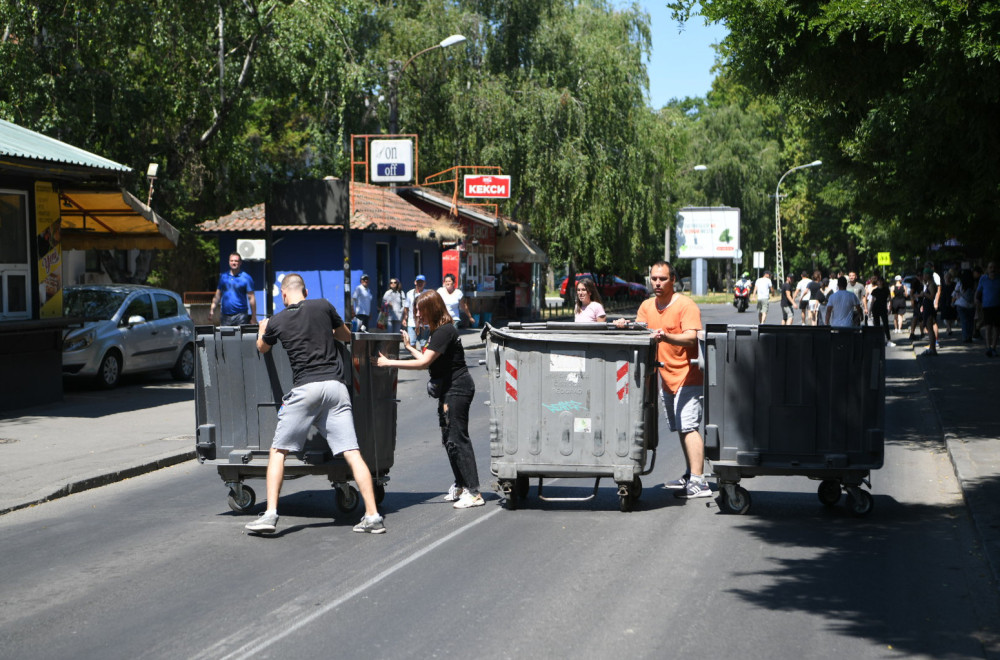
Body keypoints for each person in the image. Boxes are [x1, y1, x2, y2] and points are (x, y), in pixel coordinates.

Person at [245, 274, 385, 535]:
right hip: (336, 387)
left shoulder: (277, 320)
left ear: (283, 295)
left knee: (279, 451)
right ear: (306, 291)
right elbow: (346, 336)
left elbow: (262, 348)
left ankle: (270, 515)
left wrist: (262, 330)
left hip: (306, 389)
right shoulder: (323, 306)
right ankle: (373, 515)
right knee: (352, 452)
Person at [376, 290, 484, 508]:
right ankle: (461, 485)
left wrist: (389, 363)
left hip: (457, 388)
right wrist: (409, 347)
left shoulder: (444, 331)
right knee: (449, 439)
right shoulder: (437, 332)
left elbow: (424, 363)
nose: (417, 314)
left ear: (432, 309)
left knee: (458, 439)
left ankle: (474, 492)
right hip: (449, 388)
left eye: (420, 310)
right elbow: (429, 359)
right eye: (416, 310)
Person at [614, 261, 708, 498]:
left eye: (662, 279)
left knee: (689, 427)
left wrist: (666, 336)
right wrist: (624, 326)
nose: (657, 283)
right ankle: (691, 474)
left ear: (673, 280)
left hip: (689, 375)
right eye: (654, 278)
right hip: (666, 377)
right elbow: (640, 331)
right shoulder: (647, 306)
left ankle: (700, 482)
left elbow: (691, 338)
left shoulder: (685, 305)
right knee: (681, 428)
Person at [209, 252, 256, 326]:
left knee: (240, 334)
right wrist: (212, 310)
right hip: (225, 316)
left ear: (240, 263)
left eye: (236, 261)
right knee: (225, 334)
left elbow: (251, 298)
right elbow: (218, 295)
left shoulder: (246, 278)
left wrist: (253, 317)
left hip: (241, 315)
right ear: (229, 262)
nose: (233, 263)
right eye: (231, 261)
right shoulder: (223, 277)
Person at [976, 261, 1000, 357]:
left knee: (996, 328)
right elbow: (978, 291)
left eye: (994, 267)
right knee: (988, 327)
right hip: (986, 306)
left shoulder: (999, 279)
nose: (992, 269)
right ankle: (988, 347)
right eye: (990, 267)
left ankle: (993, 347)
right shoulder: (983, 279)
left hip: (997, 306)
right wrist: (976, 301)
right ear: (987, 269)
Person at [403, 274, 429, 351]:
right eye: (418, 282)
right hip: (412, 322)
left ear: (425, 283)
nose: (420, 284)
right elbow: (406, 307)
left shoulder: (427, 293)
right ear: (415, 282)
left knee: (424, 343)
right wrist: (405, 318)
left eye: (422, 282)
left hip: (424, 323)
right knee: (411, 342)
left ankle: (423, 355)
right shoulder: (409, 293)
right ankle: (416, 356)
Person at [869, 275, 894, 346]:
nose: (879, 282)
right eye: (878, 281)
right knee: (877, 325)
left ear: (882, 282)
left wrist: (890, 308)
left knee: (886, 324)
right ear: (877, 282)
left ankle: (888, 340)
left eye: (880, 281)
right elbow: (872, 301)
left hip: (883, 308)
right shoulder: (874, 291)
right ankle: (877, 340)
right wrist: (870, 310)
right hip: (876, 308)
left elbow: (890, 300)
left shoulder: (886, 290)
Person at [920, 267, 939, 356]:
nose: (923, 276)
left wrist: (924, 294)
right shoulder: (929, 284)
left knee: (930, 328)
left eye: (924, 274)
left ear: (928, 275)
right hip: (927, 307)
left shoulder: (932, 285)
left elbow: (931, 296)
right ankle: (932, 347)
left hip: (929, 308)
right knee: (928, 327)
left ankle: (932, 348)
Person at [953, 269, 976, 342]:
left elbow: (955, 293)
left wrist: (953, 301)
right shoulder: (973, 284)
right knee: (971, 322)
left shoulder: (960, 283)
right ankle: (969, 336)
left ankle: (965, 337)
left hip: (961, 304)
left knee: (964, 321)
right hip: (971, 305)